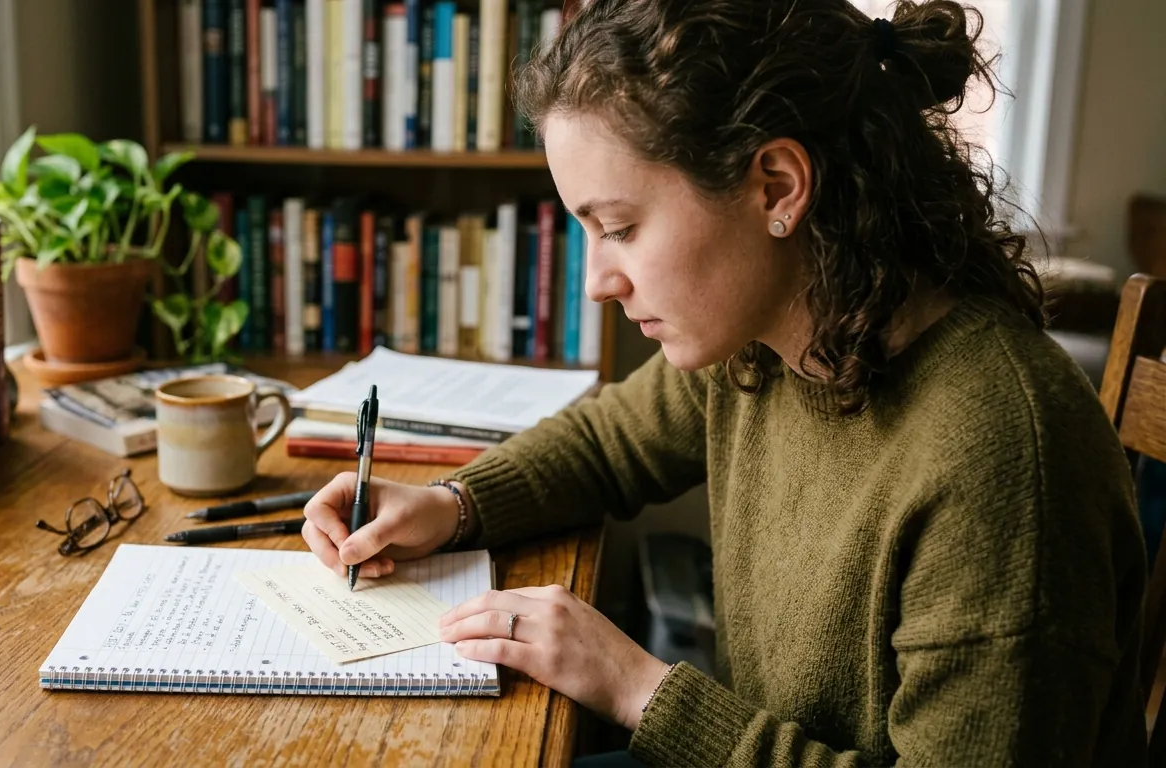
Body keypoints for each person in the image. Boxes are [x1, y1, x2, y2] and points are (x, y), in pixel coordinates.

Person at [302, 0, 1149, 764]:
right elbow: (607, 445)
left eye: (622, 228)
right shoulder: (773, 342)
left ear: (777, 186)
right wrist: (453, 506)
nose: (598, 280)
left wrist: (640, 688)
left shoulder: (998, 454)